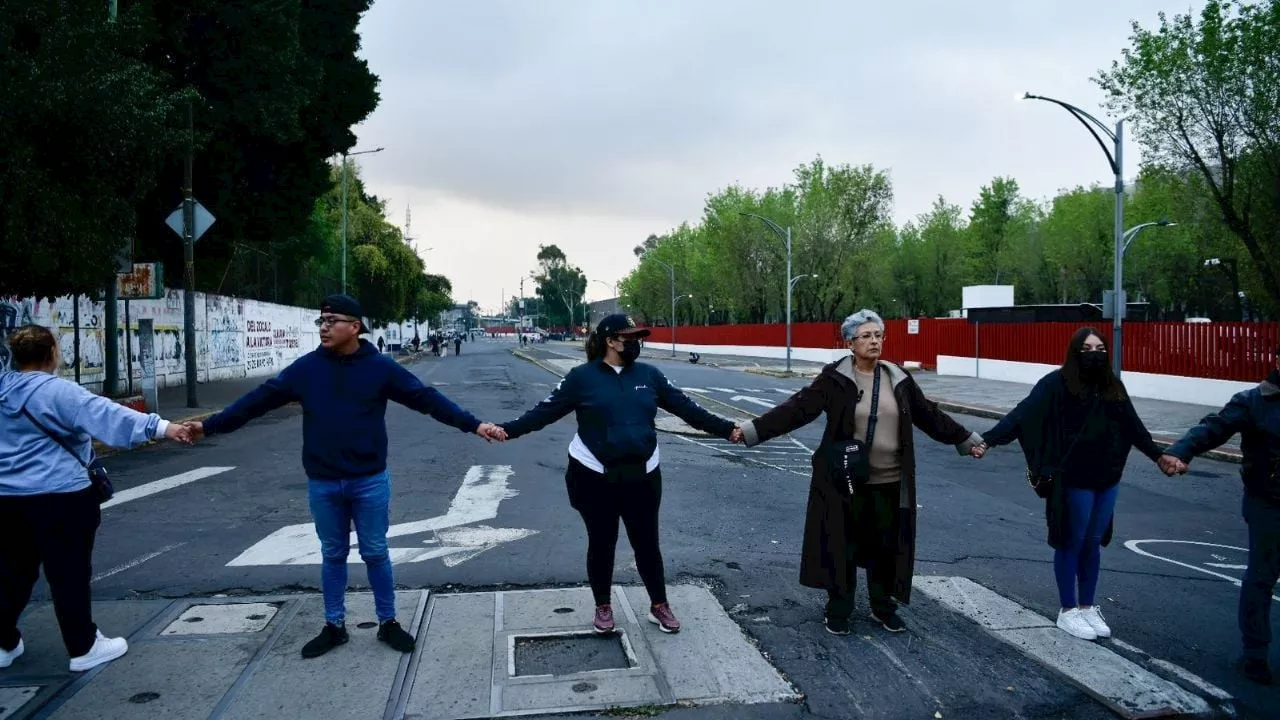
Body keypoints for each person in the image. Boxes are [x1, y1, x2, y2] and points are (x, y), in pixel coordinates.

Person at [184, 295, 506, 660]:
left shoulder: (380, 368)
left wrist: (474, 424)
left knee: (375, 552)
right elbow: (257, 401)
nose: (323, 327)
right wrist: (207, 426)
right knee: (332, 554)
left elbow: (426, 398)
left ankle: (388, 622)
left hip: (368, 479)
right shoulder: (305, 370)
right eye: (320, 321)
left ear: (354, 327)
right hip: (323, 482)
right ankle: (334, 626)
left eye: (331, 320)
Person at [730, 309, 981, 636]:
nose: (874, 341)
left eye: (878, 335)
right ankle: (839, 609)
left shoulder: (898, 378)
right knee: (841, 545)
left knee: (885, 549)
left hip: (890, 482)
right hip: (845, 481)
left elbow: (929, 416)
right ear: (850, 342)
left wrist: (964, 439)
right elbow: (797, 409)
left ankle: (882, 607)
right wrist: (752, 431)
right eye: (866, 336)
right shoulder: (835, 379)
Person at [497, 314, 738, 635]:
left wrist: (728, 430)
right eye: (630, 337)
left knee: (647, 544)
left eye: (638, 336)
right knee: (602, 543)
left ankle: (659, 605)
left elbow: (688, 409)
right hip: (593, 475)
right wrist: (506, 430)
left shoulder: (650, 375)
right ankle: (603, 606)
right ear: (610, 341)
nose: (636, 342)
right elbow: (544, 412)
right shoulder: (581, 378)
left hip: (643, 474)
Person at [0, 325, 192, 673]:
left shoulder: (2, 389)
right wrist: (163, 428)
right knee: (68, 574)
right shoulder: (58, 392)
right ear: (52, 354)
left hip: (7, 499)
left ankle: (4, 642)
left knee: (12, 572)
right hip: (60, 497)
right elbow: (109, 417)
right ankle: (83, 646)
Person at [974, 327, 1163, 642]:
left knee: (1093, 542)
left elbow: (1134, 426)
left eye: (1100, 347)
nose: (1094, 352)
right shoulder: (1056, 383)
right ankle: (1068, 610)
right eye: (1087, 347)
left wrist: (1160, 457)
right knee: (1071, 542)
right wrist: (987, 441)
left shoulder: (1113, 386)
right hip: (1073, 478)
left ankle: (1088, 606)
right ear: (1075, 351)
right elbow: (1022, 415)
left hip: (1107, 478)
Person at [1159, 348, 1280, 686]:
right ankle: (1255, 653)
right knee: (1262, 575)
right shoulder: (1255, 401)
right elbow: (1214, 428)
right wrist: (1180, 451)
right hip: (1268, 502)